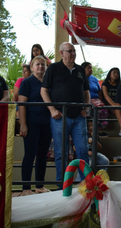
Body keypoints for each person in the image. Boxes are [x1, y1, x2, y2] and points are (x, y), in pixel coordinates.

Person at [41, 42, 90, 185]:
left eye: (74, 51)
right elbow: (43, 90)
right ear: (61, 53)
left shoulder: (80, 69)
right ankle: (62, 185)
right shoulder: (54, 68)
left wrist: (86, 109)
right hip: (60, 116)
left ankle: (86, 185)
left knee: (82, 150)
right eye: (69, 51)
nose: (73, 54)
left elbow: (86, 91)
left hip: (79, 116)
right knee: (61, 152)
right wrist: (52, 110)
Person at [18, 56, 52, 196]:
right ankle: (26, 188)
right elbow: (22, 104)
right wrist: (23, 124)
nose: (40, 67)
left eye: (43, 65)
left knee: (42, 155)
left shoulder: (49, 82)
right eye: (37, 64)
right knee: (29, 155)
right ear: (32, 67)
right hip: (31, 123)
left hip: (47, 123)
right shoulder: (27, 83)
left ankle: (39, 185)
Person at [82, 61, 108, 129]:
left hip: (96, 100)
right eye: (88, 68)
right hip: (86, 101)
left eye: (91, 68)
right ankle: (90, 129)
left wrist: (101, 101)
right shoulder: (81, 78)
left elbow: (99, 91)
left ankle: (97, 129)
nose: (91, 70)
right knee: (91, 109)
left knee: (102, 108)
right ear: (83, 69)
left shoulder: (94, 79)